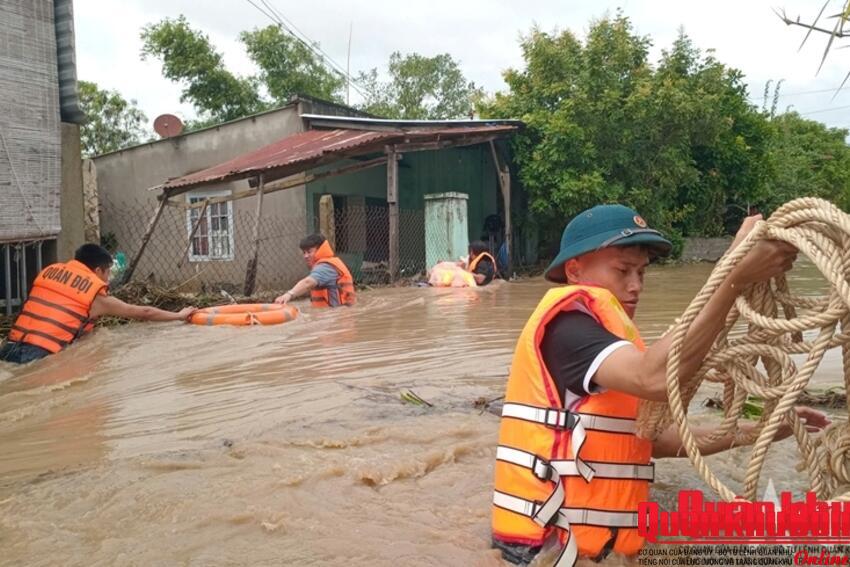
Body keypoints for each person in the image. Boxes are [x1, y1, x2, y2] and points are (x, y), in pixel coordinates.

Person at [491, 204, 830, 566]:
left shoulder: (610, 340)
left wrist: (761, 430)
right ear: (575, 270)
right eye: (622, 270)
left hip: (599, 551)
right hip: (542, 552)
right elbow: (654, 378)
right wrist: (733, 276)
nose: (635, 286)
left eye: (641, 272)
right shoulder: (568, 329)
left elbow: (658, 440)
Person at [1, 244, 196, 364]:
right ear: (97, 270)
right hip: (36, 356)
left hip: (9, 347)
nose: (108, 279)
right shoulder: (95, 296)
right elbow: (143, 312)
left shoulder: (49, 273)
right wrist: (179, 315)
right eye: (107, 272)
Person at [275, 234, 355, 308]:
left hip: (336, 317)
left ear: (320, 249)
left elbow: (308, 283)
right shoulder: (330, 263)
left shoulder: (325, 267)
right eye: (304, 252)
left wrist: (289, 294)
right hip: (340, 314)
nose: (305, 256)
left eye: (309, 252)